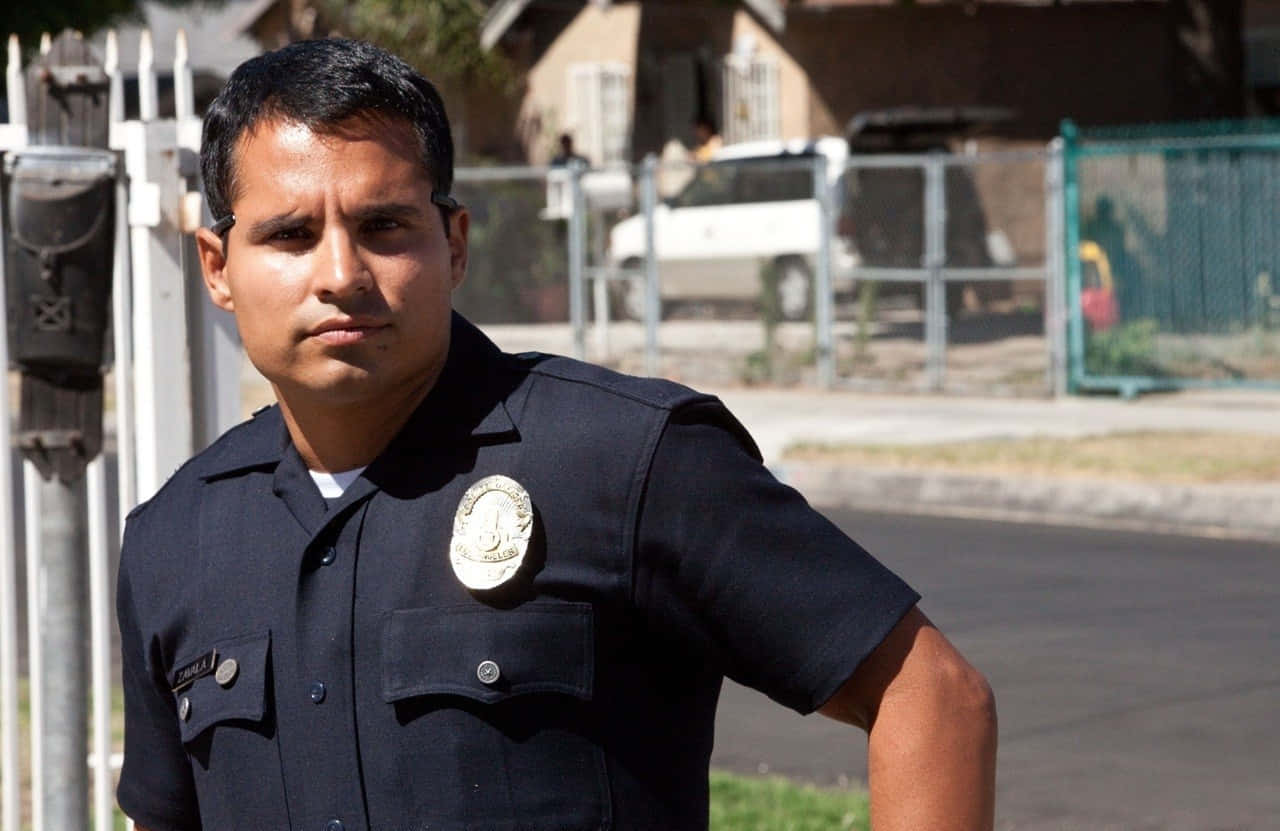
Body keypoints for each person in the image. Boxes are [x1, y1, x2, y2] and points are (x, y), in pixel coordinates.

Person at [116, 38, 996, 831]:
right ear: (219, 268)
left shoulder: (626, 458)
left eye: (384, 226)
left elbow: (932, 698)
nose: (341, 273)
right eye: (292, 235)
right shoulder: (172, 541)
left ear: (454, 244)